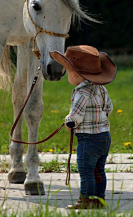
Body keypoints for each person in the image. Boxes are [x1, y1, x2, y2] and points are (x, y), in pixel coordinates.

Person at [50, 45, 117, 209]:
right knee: (98, 170)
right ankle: (98, 200)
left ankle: (85, 200)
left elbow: (75, 116)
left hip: (88, 139)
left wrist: (68, 122)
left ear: (75, 74)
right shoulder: (101, 89)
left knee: (86, 170)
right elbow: (109, 108)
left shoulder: (81, 93)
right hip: (104, 137)